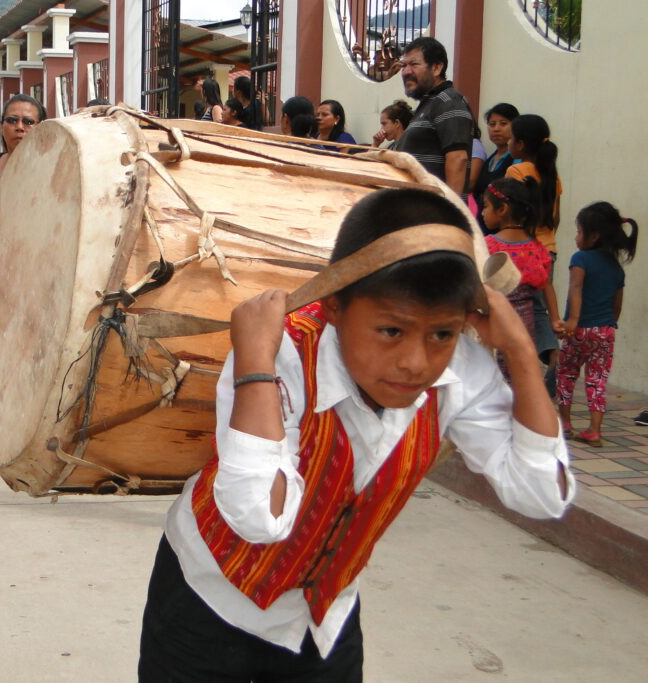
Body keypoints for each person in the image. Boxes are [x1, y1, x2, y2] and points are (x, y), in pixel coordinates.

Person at [137, 187, 573, 681]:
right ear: (335, 307)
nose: (416, 363)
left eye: (442, 333)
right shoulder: (282, 350)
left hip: (324, 618)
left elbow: (541, 494)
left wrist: (520, 351)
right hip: (207, 600)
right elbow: (258, 517)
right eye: (391, 331)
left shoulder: (461, 367)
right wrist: (254, 361)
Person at [555, 202, 638, 446]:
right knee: (597, 379)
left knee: (566, 373)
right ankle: (594, 429)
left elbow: (576, 288)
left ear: (594, 236)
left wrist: (572, 320)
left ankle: (566, 424)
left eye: (579, 231)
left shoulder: (580, 258)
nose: (576, 237)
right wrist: (609, 325)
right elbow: (617, 305)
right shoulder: (616, 267)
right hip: (605, 331)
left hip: (579, 329)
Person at [506, 114, 562, 387]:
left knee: (523, 308)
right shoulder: (551, 173)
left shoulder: (516, 172)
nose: (508, 142)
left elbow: (511, 214)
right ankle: (551, 359)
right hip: (548, 248)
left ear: (520, 143)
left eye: (511, 138)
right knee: (539, 308)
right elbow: (556, 217)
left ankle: (541, 361)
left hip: (523, 249)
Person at [482, 177, 556, 383]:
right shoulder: (535, 247)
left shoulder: (488, 245)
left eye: (486, 206)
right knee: (520, 373)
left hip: (496, 323)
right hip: (525, 325)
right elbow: (547, 285)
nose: (482, 212)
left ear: (502, 209)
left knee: (494, 377)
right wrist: (555, 319)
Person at [396, 37, 474, 196]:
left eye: (414, 64)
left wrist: (449, 207)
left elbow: (458, 159)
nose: (406, 72)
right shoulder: (429, 103)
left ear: (437, 68)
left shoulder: (448, 101)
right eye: (404, 65)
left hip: (434, 208)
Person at [0, 93, 47, 256]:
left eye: (28, 122)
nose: (19, 127)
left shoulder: (48, 170)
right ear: (2, 126)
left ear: (40, 127)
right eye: (12, 120)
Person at [474, 103, 520, 234]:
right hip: (484, 230)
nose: (496, 129)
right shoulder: (489, 159)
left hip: (505, 233)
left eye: (503, 124)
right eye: (492, 124)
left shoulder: (517, 160)